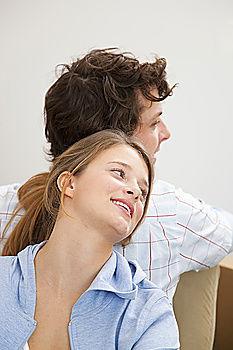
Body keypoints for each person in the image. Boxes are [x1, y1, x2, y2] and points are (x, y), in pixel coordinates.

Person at [1, 48, 233, 301]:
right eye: (154, 123)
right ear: (114, 143)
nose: (165, 134)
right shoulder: (171, 212)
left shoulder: (4, 206)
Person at [0, 130, 179, 350]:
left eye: (143, 192)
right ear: (69, 184)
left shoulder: (149, 312)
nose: (134, 192)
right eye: (119, 173)